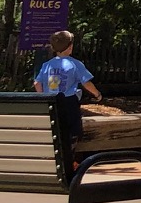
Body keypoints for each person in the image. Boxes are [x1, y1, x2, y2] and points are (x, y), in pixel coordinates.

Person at [32, 30, 100, 160]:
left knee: (55, 131)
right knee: (72, 133)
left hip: (51, 101)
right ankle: (69, 159)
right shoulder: (75, 64)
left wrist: (43, 96)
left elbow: (37, 83)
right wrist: (97, 94)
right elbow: (86, 83)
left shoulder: (47, 65)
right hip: (69, 102)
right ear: (70, 47)